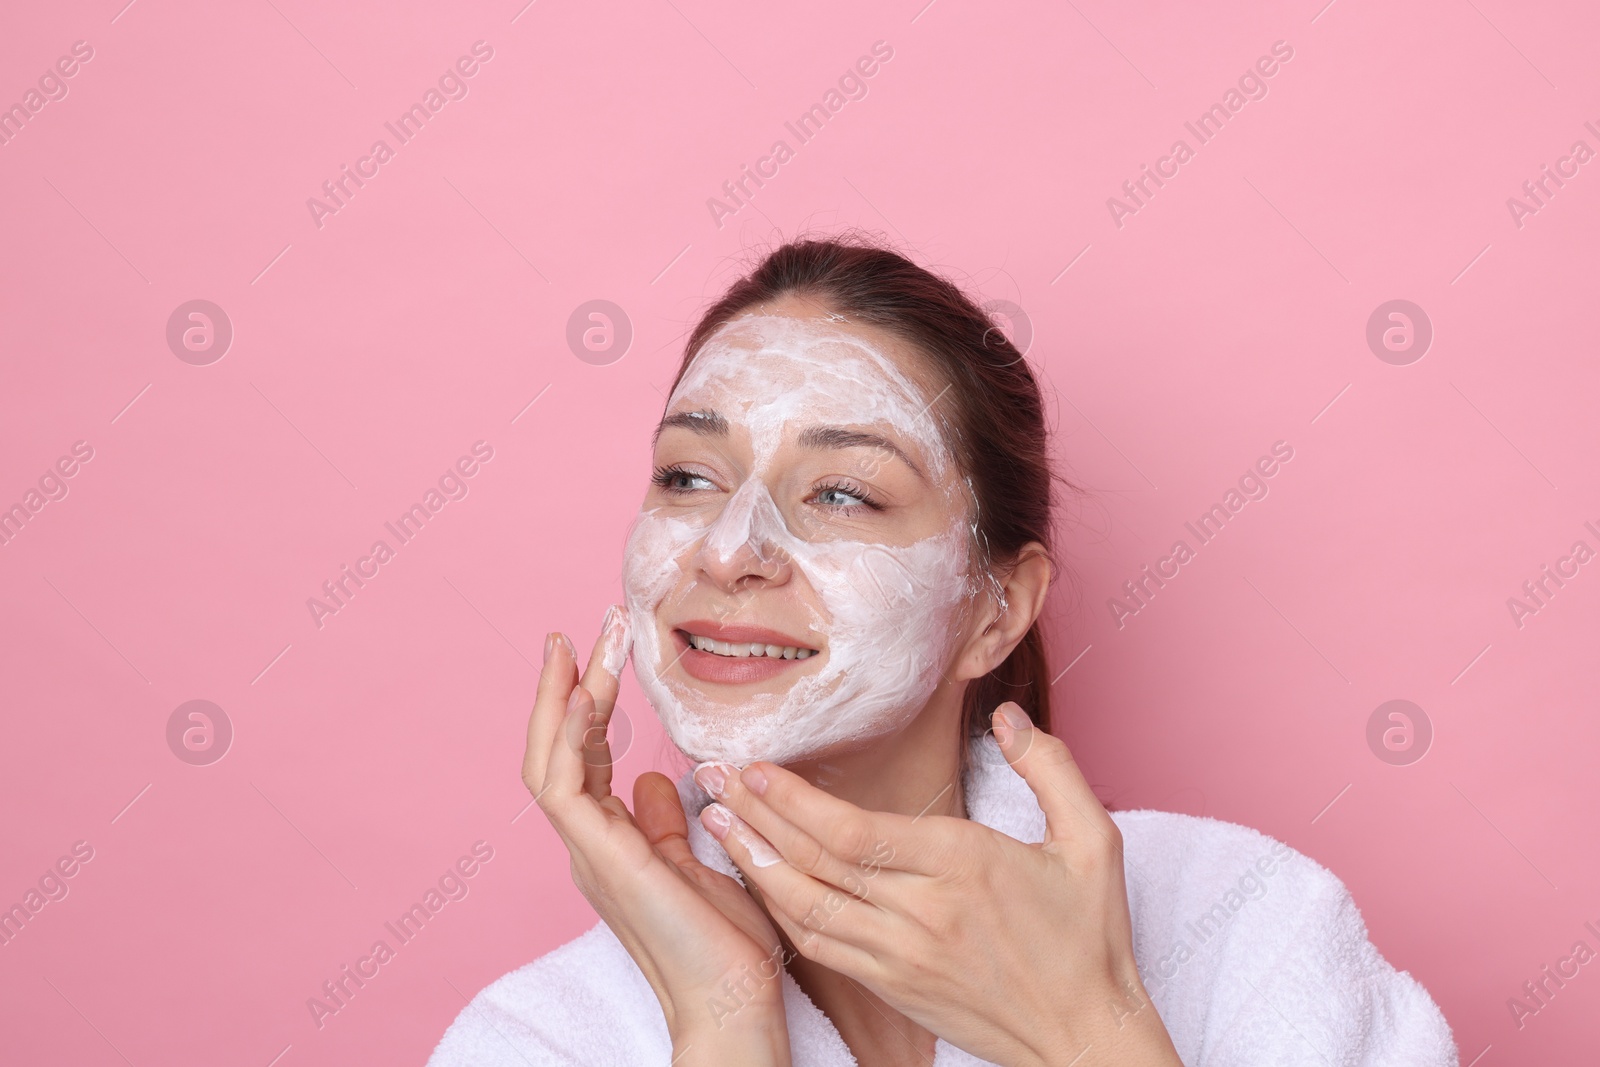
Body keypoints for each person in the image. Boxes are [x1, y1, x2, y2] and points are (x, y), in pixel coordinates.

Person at [427, 237, 1458, 1066]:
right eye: (688, 476)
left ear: (995, 609)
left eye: (841, 491)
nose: (727, 547)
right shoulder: (535, 1037)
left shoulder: (1247, 926)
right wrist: (724, 1022)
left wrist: (1081, 1030)